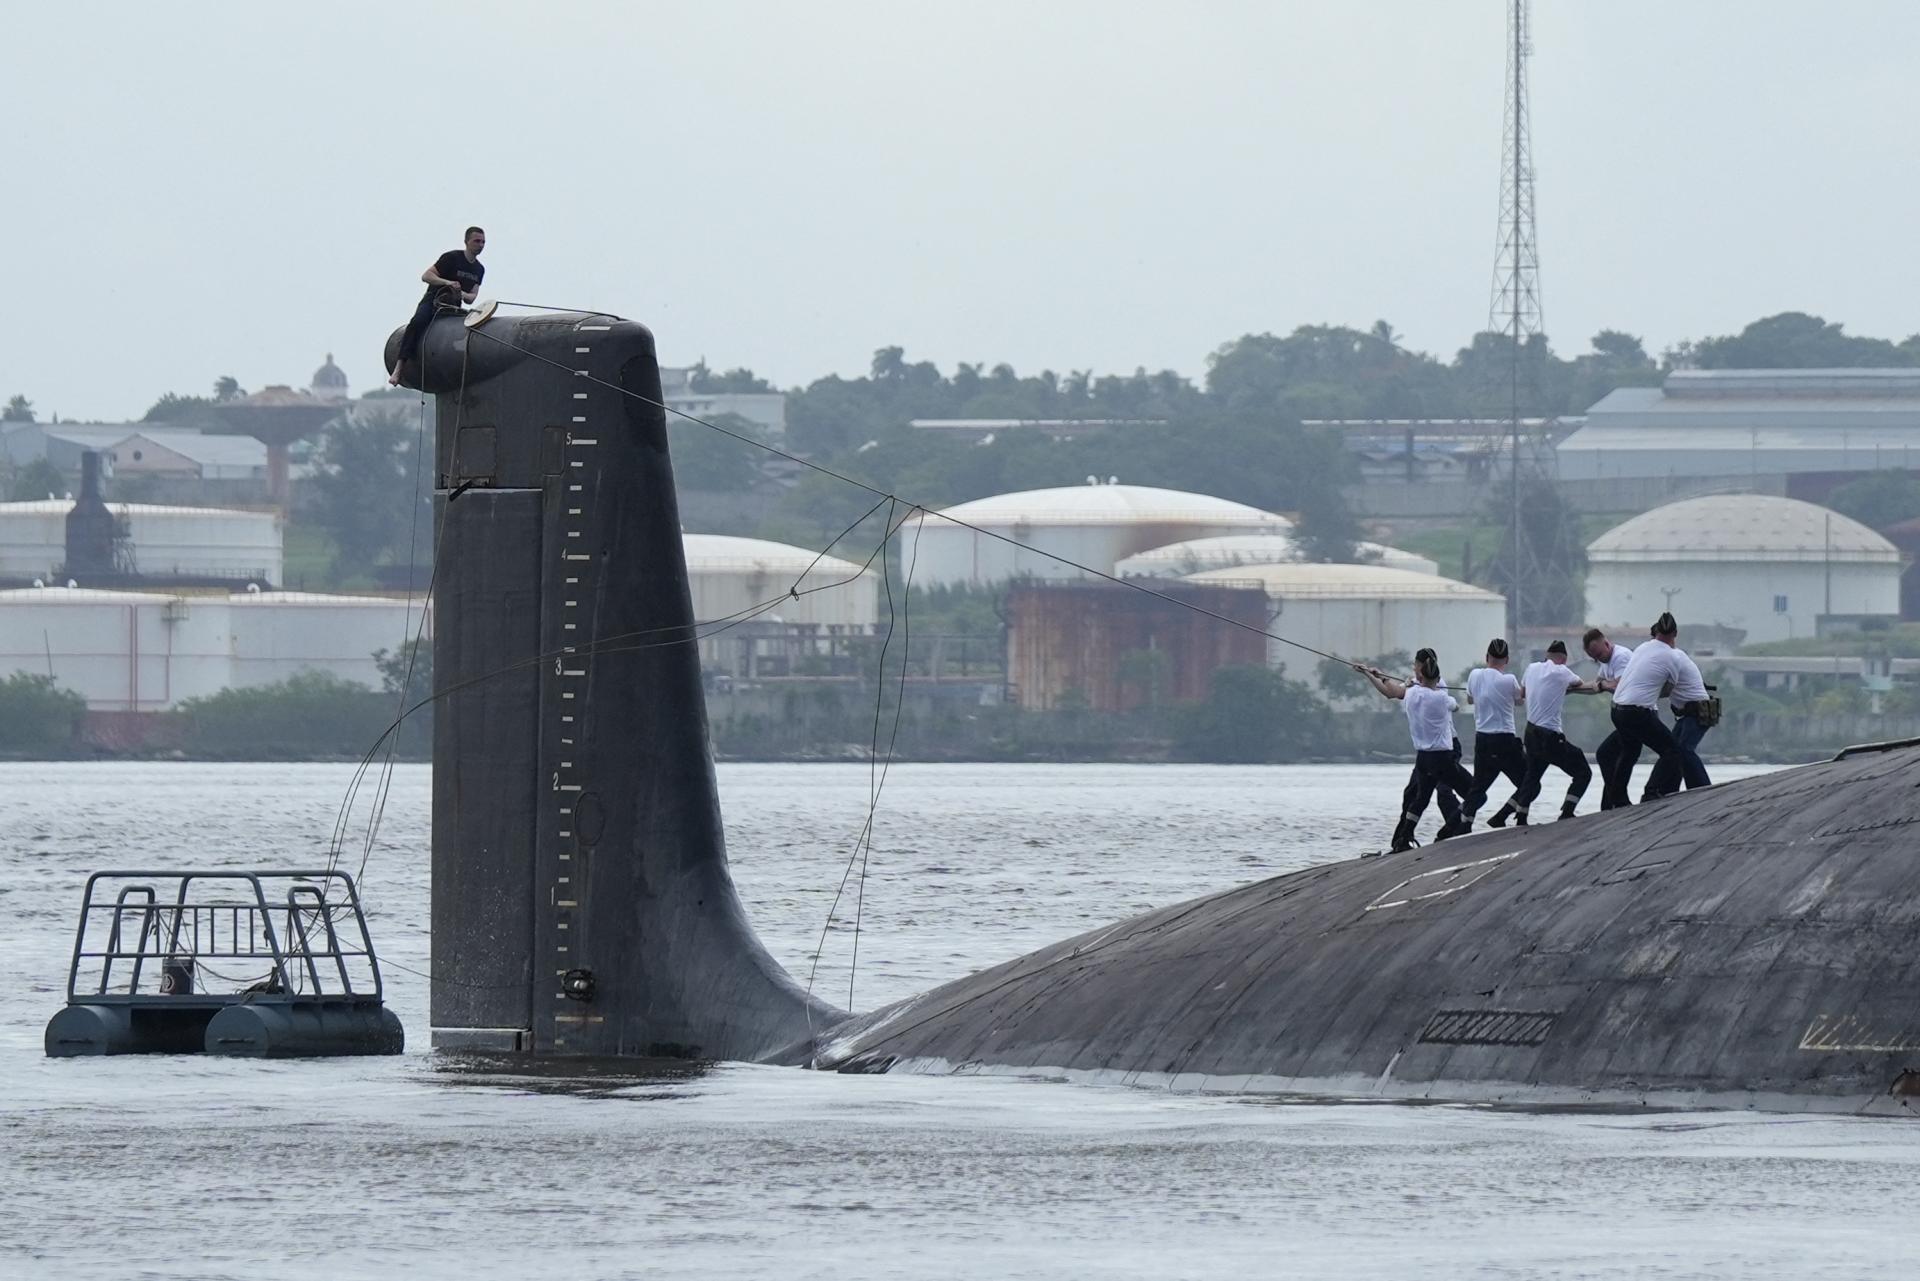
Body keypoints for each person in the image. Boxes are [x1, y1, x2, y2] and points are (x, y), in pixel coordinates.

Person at [1356, 648, 1475, 853]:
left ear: (1422, 668)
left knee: (1443, 793)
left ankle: (1454, 829)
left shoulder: (1438, 687)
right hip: (1431, 752)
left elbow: (1403, 692)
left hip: (1446, 747)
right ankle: (1402, 840)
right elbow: (1391, 692)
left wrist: (1403, 683)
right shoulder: (1416, 686)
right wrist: (1373, 675)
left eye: (1415, 665)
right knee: (1413, 794)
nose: (1413, 668)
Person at [1494, 639, 1597, 826]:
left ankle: (1515, 817)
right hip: (1550, 737)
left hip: (1531, 733)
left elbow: (1523, 693)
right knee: (1583, 771)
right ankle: (1567, 812)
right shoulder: (1562, 671)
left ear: (1547, 656)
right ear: (1563, 659)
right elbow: (1580, 684)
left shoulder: (1531, 668)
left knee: (1532, 776)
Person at [1606, 612, 1693, 805]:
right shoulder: (1673, 657)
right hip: (1637, 712)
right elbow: (1667, 691)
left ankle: (1616, 797)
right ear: (1675, 634)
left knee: (1629, 751)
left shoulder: (1642, 647)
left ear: (1656, 632)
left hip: (1617, 709)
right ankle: (1650, 791)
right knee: (1671, 750)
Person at [389, 226, 487, 384]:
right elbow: (426, 276)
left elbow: (472, 298)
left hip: (454, 306)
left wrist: (460, 293)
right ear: (466, 241)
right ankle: (399, 368)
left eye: (483, 242)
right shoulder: (451, 258)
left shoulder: (479, 269)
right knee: (417, 322)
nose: (481, 245)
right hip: (434, 299)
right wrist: (447, 283)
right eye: (477, 241)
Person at [1640, 618, 1714, 799]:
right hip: (1686, 714)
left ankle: (1703, 790)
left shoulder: (1673, 656)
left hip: (1698, 711)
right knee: (1671, 750)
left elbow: (1664, 688)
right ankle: (1666, 790)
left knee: (1683, 750)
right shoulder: (1671, 655)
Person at [1462, 638, 1527, 826]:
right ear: (1506, 660)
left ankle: (1464, 824)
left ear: (1487, 657)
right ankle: (1503, 815)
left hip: (1482, 739)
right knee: (1529, 782)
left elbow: (1470, 700)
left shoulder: (1474, 675)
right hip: (1505, 740)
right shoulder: (1509, 680)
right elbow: (1520, 701)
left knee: (1477, 787)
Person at [1584, 626, 1636, 810]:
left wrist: (1603, 685)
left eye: (1599, 654)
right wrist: (1569, 689)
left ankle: (1617, 800)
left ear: (1607, 643)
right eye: (1594, 658)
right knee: (1608, 755)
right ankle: (1611, 802)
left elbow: (1618, 685)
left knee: (1615, 755)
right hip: (1625, 716)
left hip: (1637, 715)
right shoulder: (1605, 661)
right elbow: (1596, 685)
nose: (1598, 659)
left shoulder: (1621, 656)